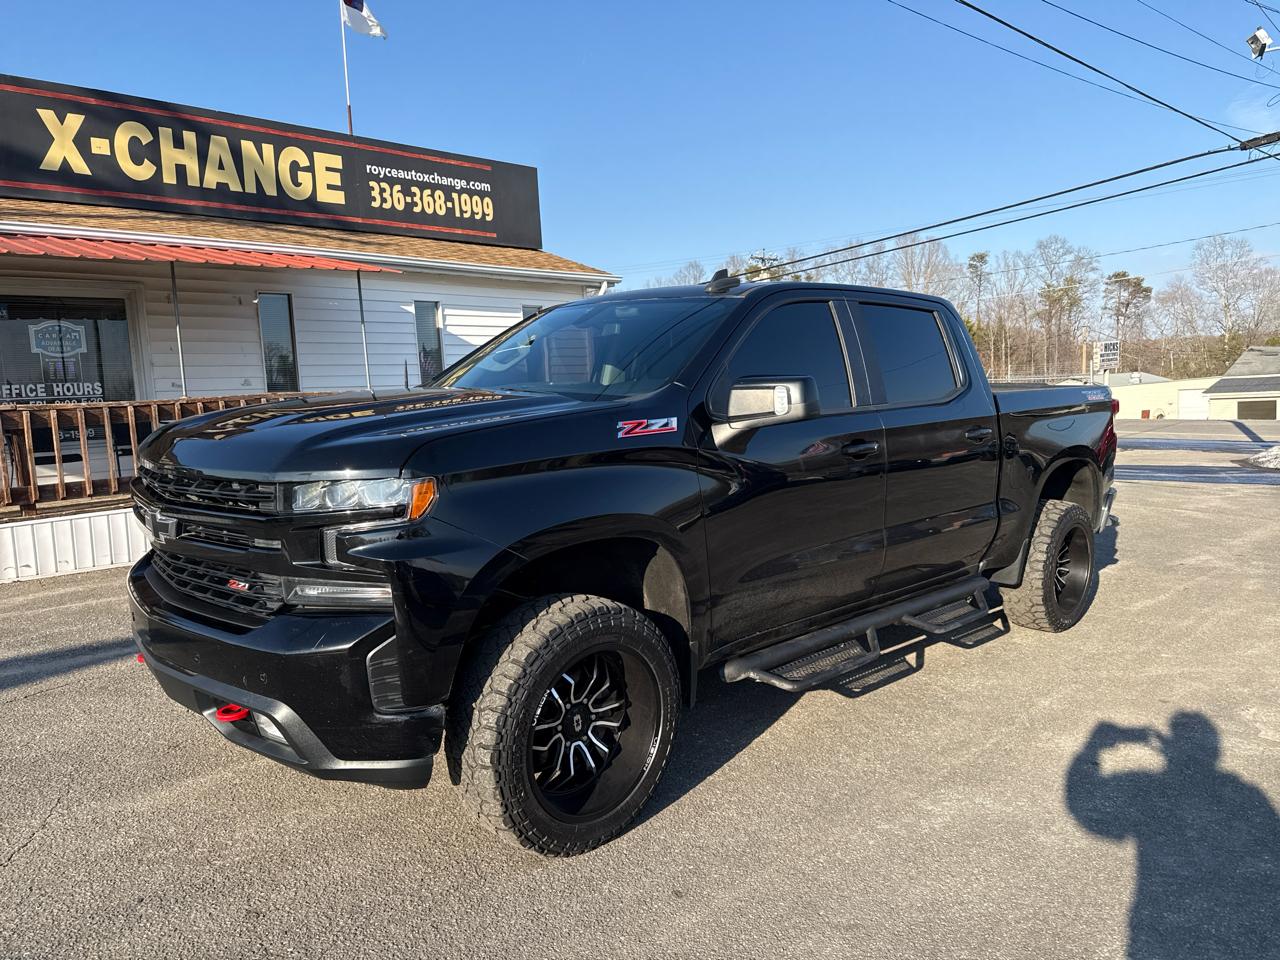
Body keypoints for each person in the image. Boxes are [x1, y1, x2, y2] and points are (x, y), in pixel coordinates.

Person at [1066, 712, 1280, 959]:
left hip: (1163, 931)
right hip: (1246, 933)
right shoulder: (1247, 794)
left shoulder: (1146, 788)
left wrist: (1093, 747)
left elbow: (1087, 810)